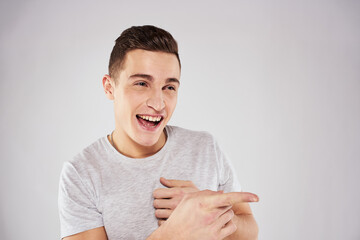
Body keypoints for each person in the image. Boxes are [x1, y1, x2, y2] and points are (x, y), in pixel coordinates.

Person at [58, 25, 259, 240]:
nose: (158, 103)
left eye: (169, 87)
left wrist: (207, 211)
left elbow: (249, 231)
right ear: (109, 87)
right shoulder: (81, 174)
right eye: (142, 83)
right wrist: (174, 234)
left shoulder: (205, 147)